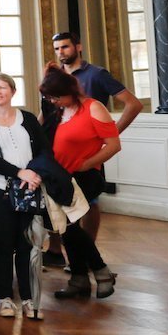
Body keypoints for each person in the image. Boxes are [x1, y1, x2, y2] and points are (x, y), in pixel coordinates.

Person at [52, 32, 143, 254]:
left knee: (90, 200)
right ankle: (54, 251)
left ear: (78, 47)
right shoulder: (55, 76)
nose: (61, 52)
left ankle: (87, 252)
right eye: (57, 49)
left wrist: (110, 136)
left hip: (88, 149)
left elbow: (133, 104)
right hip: (61, 147)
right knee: (55, 199)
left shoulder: (96, 74)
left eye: (65, 47)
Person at [0, 73, 49, 319]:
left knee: (28, 244)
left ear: (12, 91)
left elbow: (44, 149)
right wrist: (18, 172)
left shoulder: (28, 118)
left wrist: (33, 174)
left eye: (2, 87)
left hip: (29, 188)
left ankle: (28, 298)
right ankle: (3, 297)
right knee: (3, 242)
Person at [41, 66, 122, 300]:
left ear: (70, 91)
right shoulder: (58, 111)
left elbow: (113, 144)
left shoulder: (93, 107)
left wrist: (87, 164)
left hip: (85, 177)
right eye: (50, 98)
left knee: (70, 224)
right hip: (60, 177)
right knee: (67, 228)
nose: (53, 101)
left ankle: (100, 270)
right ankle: (79, 279)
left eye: (57, 96)